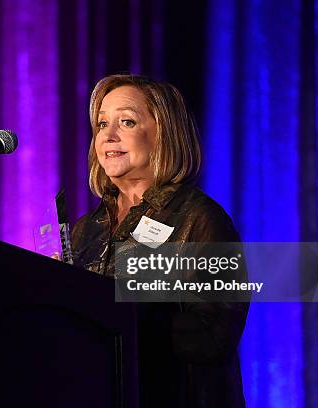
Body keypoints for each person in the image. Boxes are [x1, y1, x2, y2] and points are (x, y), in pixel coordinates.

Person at [71, 74, 248, 407]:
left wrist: (113, 308)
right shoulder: (85, 230)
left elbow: (215, 336)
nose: (108, 135)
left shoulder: (199, 218)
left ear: (163, 134)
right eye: (101, 124)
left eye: (127, 122)